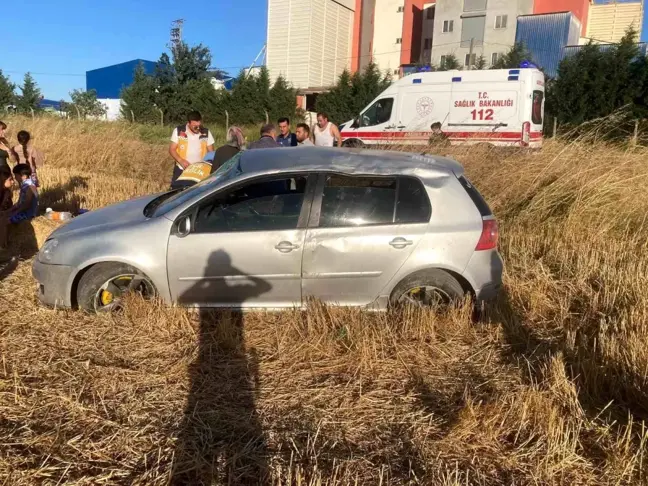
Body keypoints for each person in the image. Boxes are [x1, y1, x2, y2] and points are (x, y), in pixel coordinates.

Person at [0, 164, 38, 261]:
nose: (14, 180)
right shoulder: (26, 185)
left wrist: (14, 212)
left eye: (15, 176)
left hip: (27, 213)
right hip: (23, 211)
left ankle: (3, 247)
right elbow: (19, 203)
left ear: (23, 176)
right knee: (4, 216)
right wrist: (9, 211)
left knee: (5, 221)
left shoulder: (29, 186)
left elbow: (26, 204)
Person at [169, 111, 215, 187]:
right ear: (188, 123)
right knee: (176, 191)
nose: (198, 128)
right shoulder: (178, 131)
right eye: (195, 126)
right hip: (181, 169)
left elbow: (211, 153)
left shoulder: (206, 132)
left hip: (199, 171)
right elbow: (172, 149)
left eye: (199, 125)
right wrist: (181, 160)